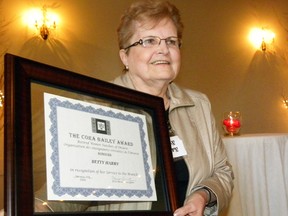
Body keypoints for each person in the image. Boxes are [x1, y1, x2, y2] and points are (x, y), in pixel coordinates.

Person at [34, 0, 233, 215]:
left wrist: (203, 195)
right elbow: (68, 189)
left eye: (171, 41)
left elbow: (222, 172)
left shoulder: (199, 105)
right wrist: (35, 208)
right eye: (149, 41)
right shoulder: (96, 106)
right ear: (125, 56)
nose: (163, 49)